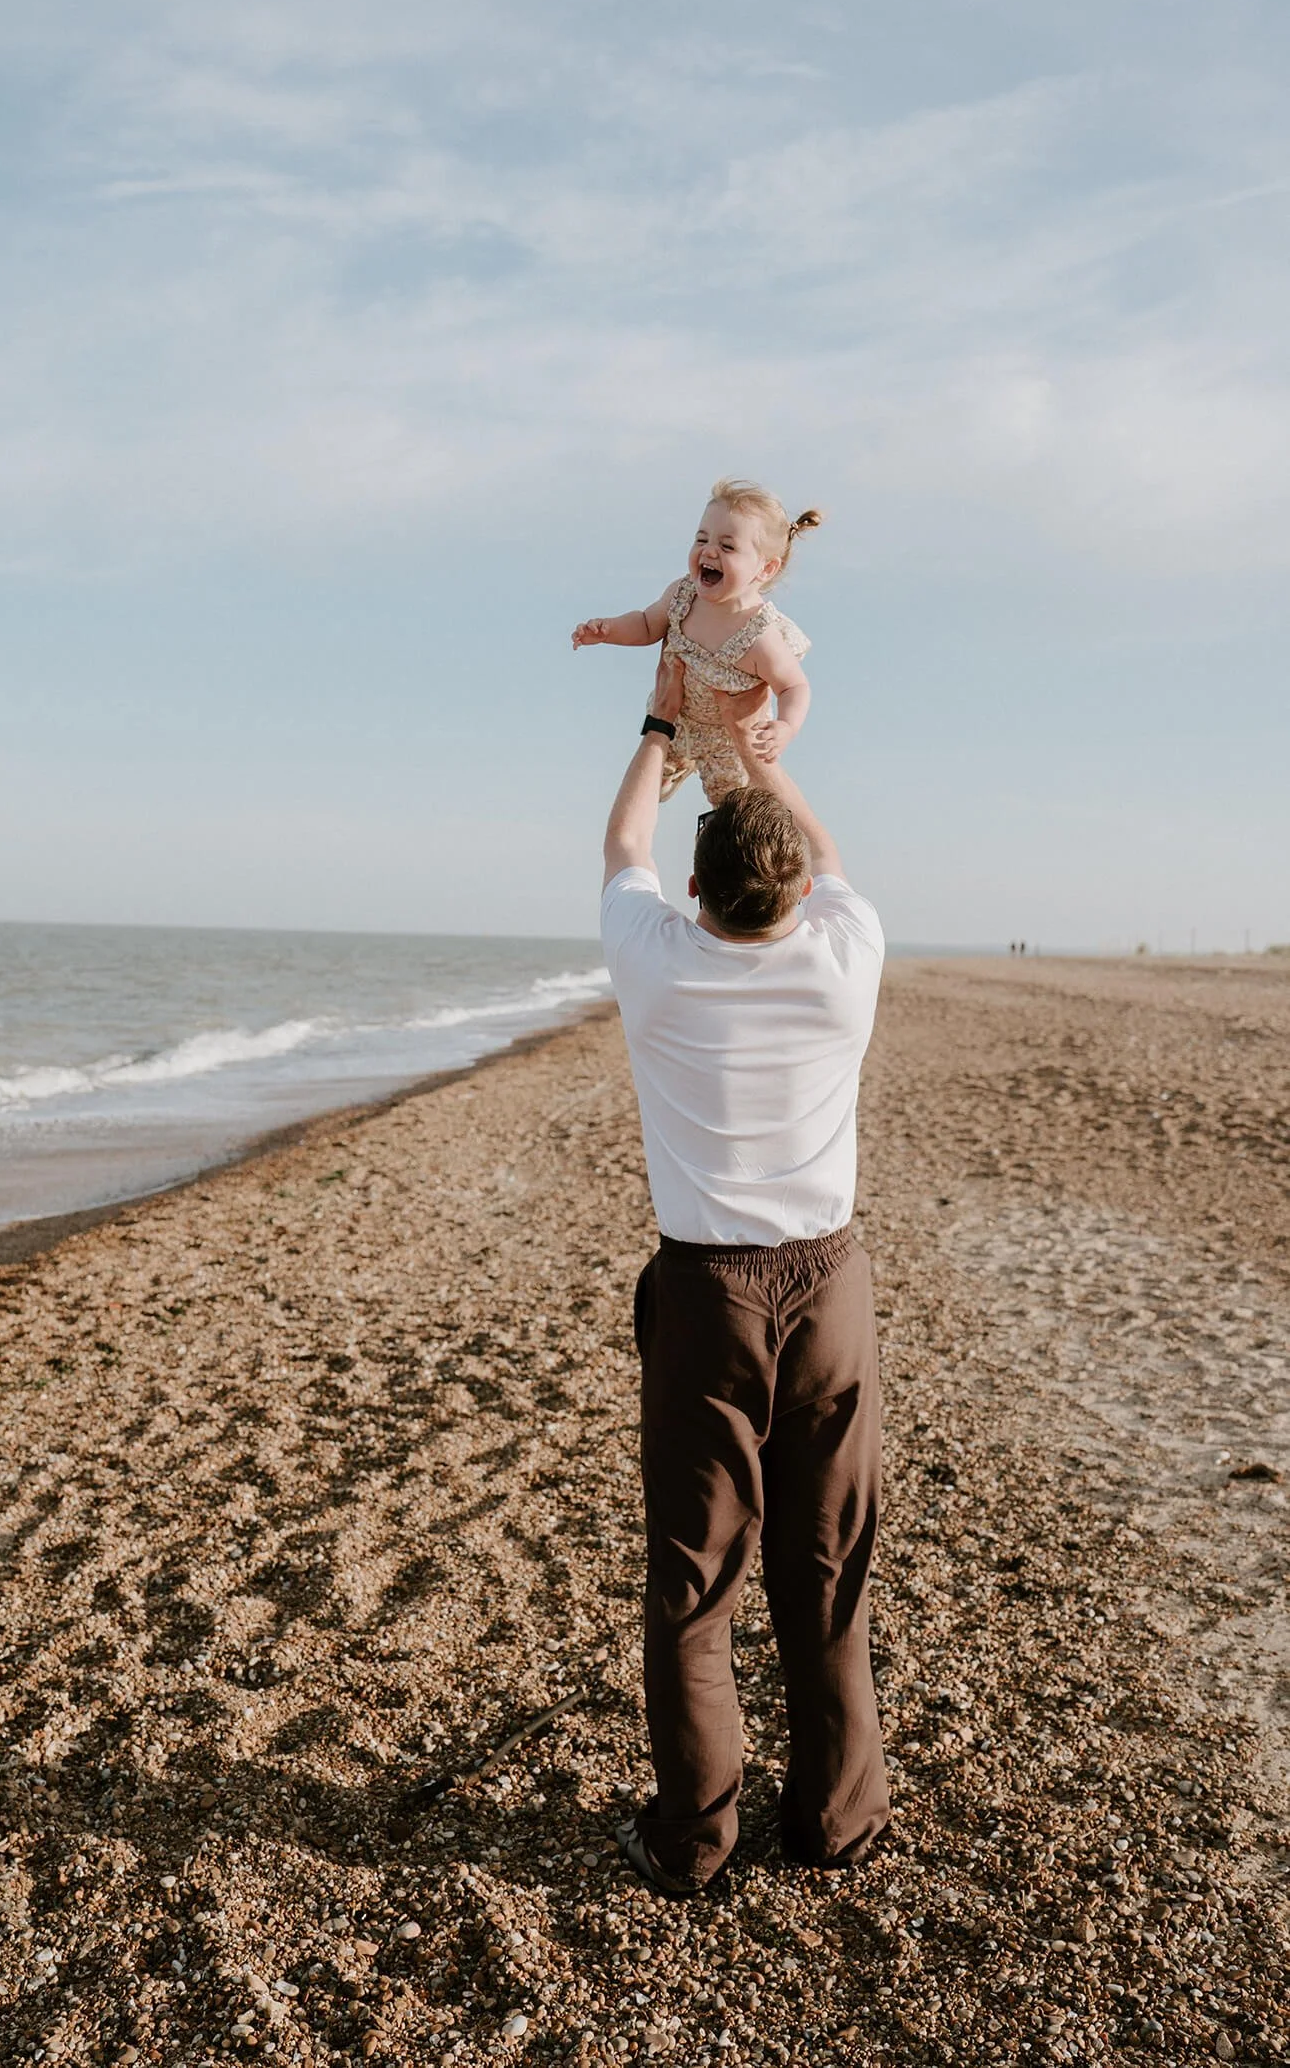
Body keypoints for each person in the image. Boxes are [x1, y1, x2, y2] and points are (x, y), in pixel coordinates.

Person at [599, 649, 889, 1895]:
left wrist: (666, 726)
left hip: (709, 1292)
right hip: (828, 1291)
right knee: (826, 1575)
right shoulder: (843, 959)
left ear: (702, 892)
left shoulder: (657, 967)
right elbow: (834, 868)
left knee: (696, 1583)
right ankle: (834, 1824)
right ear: (790, 894)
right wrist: (772, 765)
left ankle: (695, 1840)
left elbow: (622, 849)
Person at [572, 478, 820, 806]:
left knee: (732, 804)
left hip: (726, 739)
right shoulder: (683, 595)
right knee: (646, 780)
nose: (709, 550)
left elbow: (794, 687)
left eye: (728, 546)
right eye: (701, 539)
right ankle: (672, 768)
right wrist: (609, 631)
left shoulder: (759, 636)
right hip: (678, 716)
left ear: (765, 568)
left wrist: (786, 726)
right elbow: (647, 625)